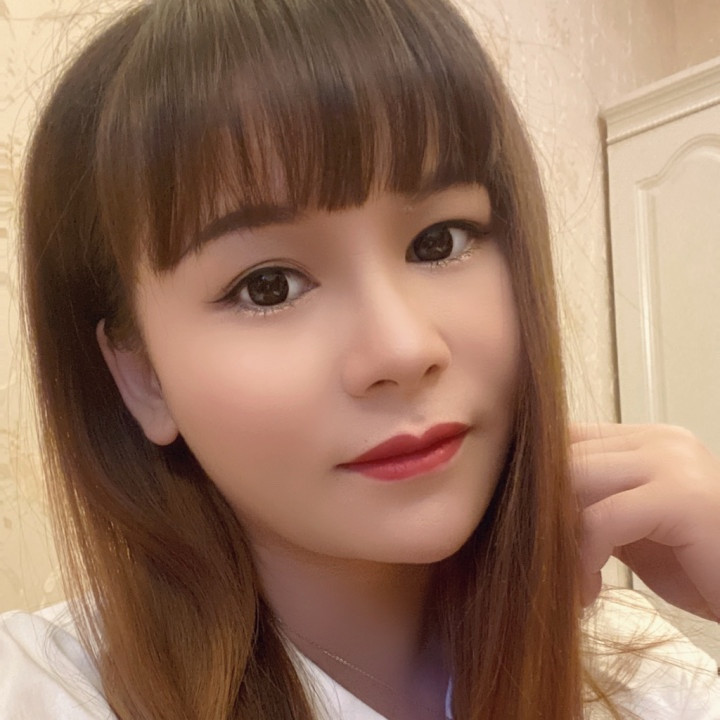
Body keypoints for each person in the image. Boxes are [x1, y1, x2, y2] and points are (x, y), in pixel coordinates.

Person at [1, 0, 719, 718]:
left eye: (439, 241)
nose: (405, 349)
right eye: (268, 286)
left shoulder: (642, 671)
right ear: (142, 377)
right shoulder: (45, 691)